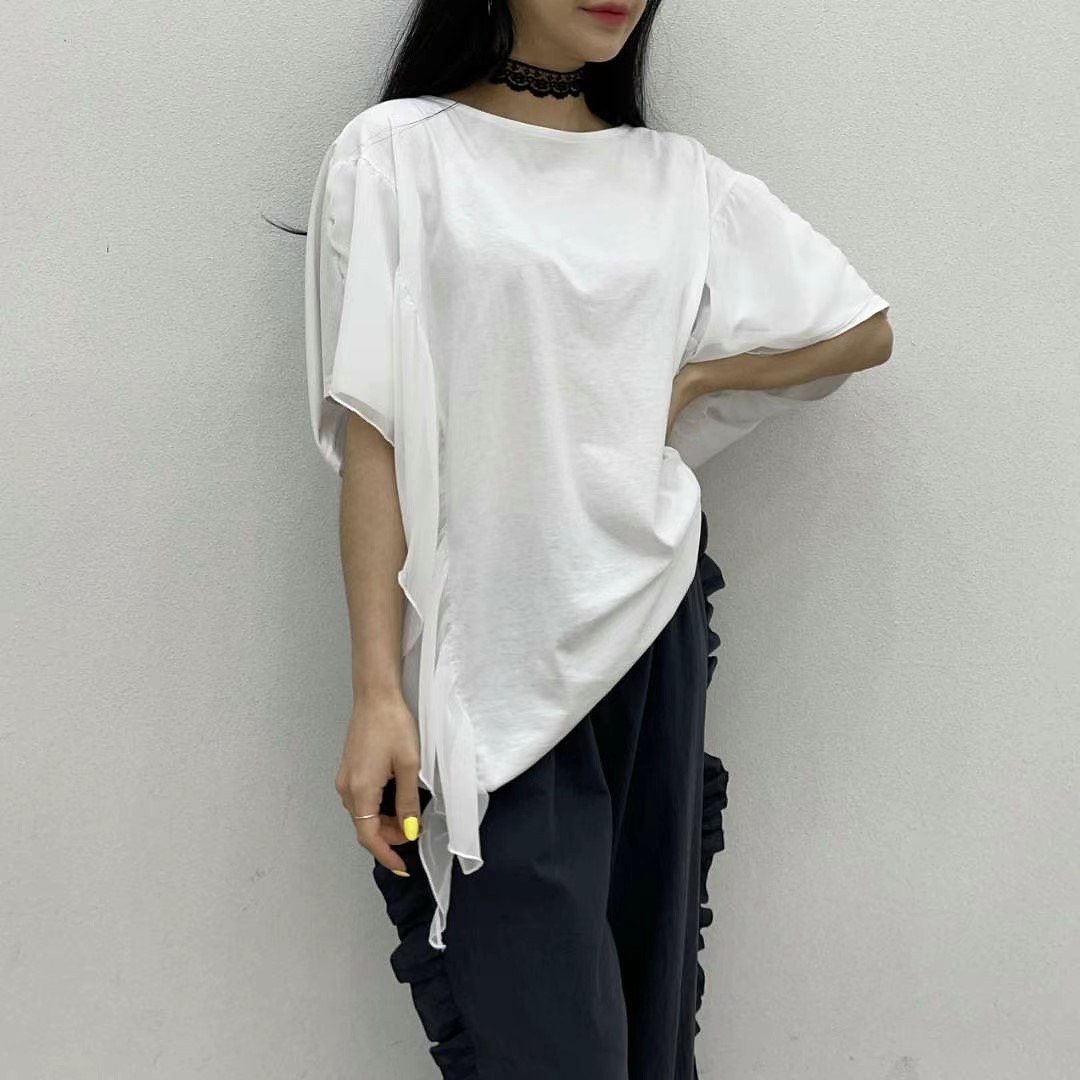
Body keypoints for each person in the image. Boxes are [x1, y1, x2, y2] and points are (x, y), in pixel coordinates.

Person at [301, 1, 893, 1076]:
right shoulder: (397, 154)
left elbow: (862, 328)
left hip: (650, 628)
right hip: (488, 658)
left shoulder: (677, 179)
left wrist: (700, 378)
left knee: (650, 1025)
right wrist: (377, 690)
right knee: (548, 1039)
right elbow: (373, 437)